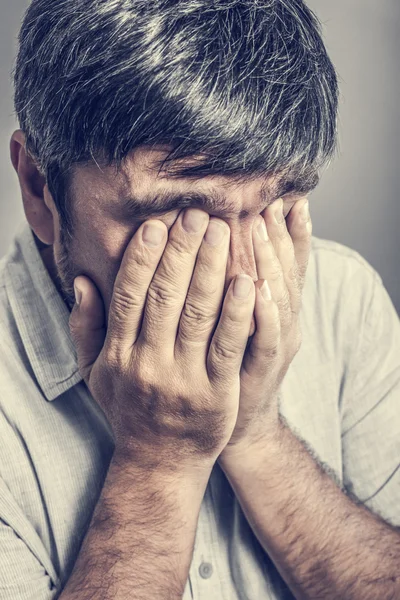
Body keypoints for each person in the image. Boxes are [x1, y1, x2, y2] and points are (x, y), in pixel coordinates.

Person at [0, 0, 399, 598]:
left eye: (273, 205)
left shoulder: (348, 301)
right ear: (38, 187)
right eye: (180, 216)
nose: (243, 285)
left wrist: (256, 433)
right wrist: (159, 460)